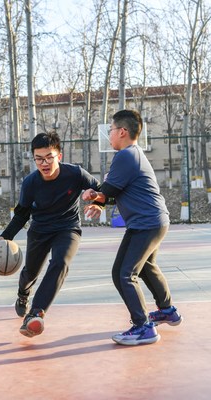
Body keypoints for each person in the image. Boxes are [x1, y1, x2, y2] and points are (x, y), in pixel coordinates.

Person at [0, 132, 102, 338]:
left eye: (49, 157)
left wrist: (97, 202)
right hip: (39, 230)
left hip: (68, 227)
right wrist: (6, 236)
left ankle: (36, 313)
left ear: (59, 155)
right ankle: (23, 295)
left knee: (60, 262)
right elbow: (22, 214)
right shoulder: (31, 183)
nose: (44, 163)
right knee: (30, 273)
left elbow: (99, 190)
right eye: (39, 158)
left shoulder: (75, 174)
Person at [82, 109, 183, 346]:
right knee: (146, 266)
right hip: (152, 222)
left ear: (122, 131)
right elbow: (115, 194)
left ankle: (143, 326)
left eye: (111, 130)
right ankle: (167, 310)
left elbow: (107, 192)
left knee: (124, 274)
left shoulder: (126, 155)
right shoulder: (133, 154)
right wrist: (101, 200)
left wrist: (92, 195)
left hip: (146, 224)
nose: (109, 134)